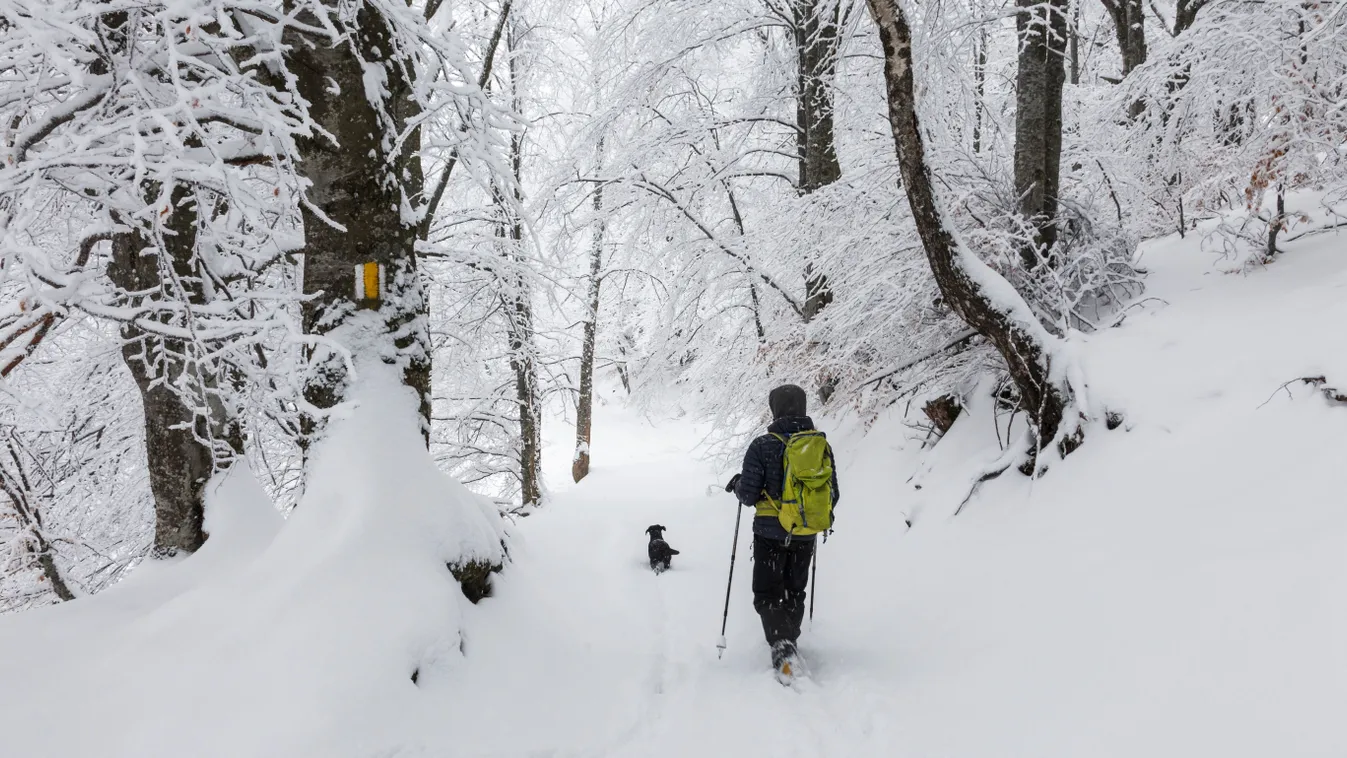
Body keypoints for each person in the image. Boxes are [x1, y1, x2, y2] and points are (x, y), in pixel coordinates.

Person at [724, 384, 839, 674]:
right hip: (805, 532)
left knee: (767, 593)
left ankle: (782, 645)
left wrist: (737, 484)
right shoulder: (820, 446)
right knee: (795, 590)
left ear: (775, 409)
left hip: (770, 533)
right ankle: (789, 640)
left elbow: (748, 495)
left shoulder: (763, 445)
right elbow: (833, 494)